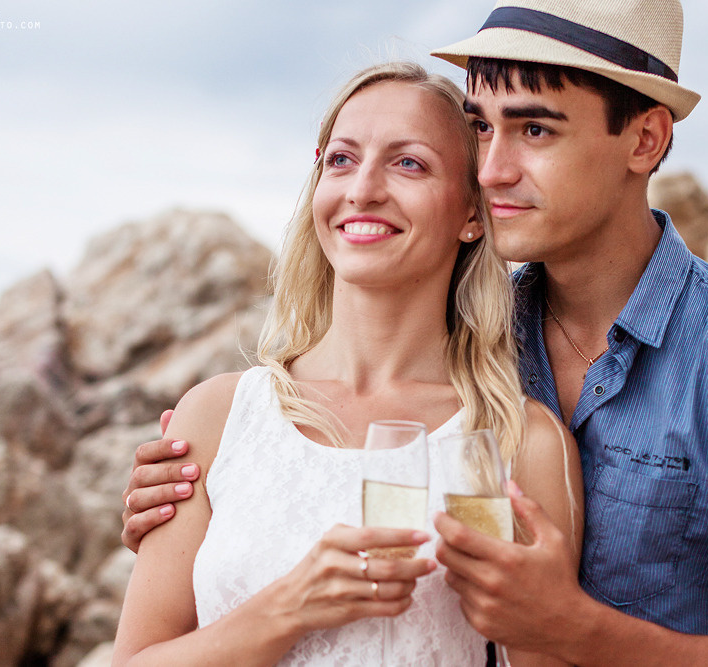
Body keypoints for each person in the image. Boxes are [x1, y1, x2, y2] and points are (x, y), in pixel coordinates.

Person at [122, 0, 708, 664]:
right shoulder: (469, 336)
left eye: (535, 128)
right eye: (481, 129)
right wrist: (211, 488)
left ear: (644, 141)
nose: (491, 168)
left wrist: (575, 628)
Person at [112, 61, 579, 667]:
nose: (362, 189)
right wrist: (288, 608)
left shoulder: (510, 442)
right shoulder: (218, 417)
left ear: (471, 212)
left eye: (407, 162)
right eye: (341, 159)